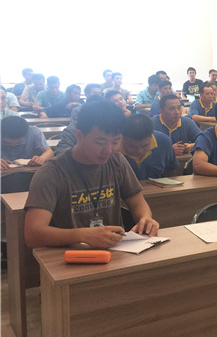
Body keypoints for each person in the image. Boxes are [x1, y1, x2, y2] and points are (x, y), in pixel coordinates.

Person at [23, 100, 159, 249]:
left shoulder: (116, 161)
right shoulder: (51, 172)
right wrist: (83, 235)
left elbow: (138, 202)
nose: (108, 150)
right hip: (67, 256)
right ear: (79, 136)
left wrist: (145, 218)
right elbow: (33, 235)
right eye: (100, 142)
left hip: (115, 251)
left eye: (115, 142)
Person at [120, 114, 177, 180]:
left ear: (151, 136)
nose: (139, 151)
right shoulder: (114, 149)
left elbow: (171, 170)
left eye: (145, 145)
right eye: (132, 146)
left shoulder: (164, 142)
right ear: (123, 138)